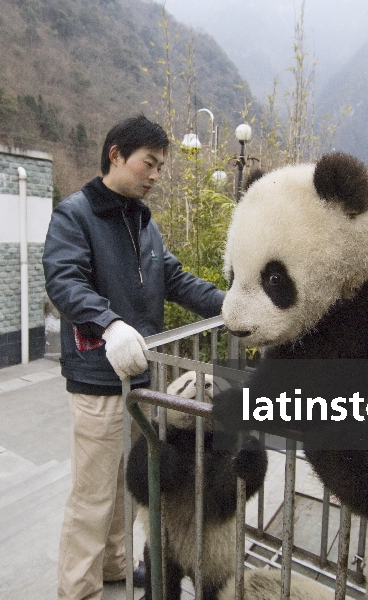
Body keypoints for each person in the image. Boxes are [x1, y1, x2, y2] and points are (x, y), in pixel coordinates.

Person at [43, 115, 225, 600]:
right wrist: (108, 323)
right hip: (99, 379)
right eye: (150, 163)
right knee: (93, 495)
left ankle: (116, 566)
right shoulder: (75, 214)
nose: (156, 175)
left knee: (129, 483)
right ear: (116, 154)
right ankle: (77, 590)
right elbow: (64, 281)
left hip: (143, 378)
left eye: (161, 167)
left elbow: (177, 280)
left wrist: (231, 305)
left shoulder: (143, 222)